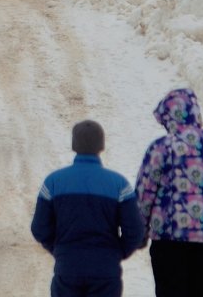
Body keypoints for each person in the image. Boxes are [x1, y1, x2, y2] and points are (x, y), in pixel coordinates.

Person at [135, 88, 203, 297]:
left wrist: (140, 231)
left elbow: (145, 193)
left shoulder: (161, 147)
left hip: (169, 236)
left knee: (170, 291)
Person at [31, 120, 144, 297]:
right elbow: (136, 231)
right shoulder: (119, 184)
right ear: (101, 145)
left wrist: (60, 250)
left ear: (74, 144)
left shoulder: (53, 182)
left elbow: (39, 228)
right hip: (106, 271)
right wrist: (116, 254)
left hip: (67, 268)